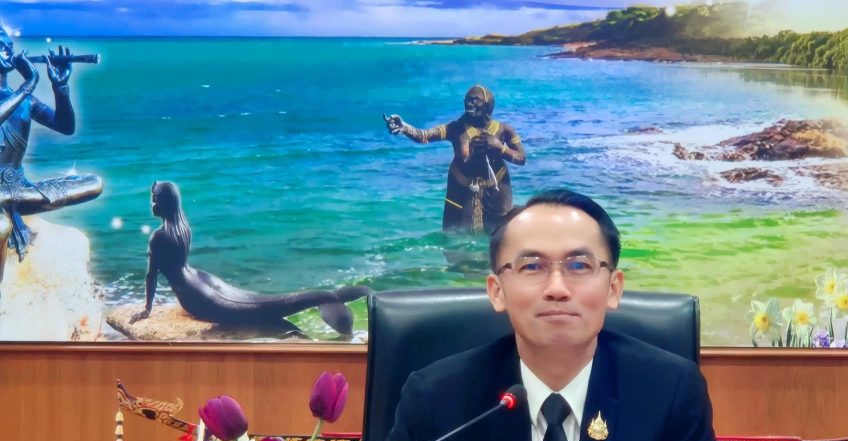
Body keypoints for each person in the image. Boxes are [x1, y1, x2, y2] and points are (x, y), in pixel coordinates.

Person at [377, 188, 725, 441]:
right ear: (496, 290)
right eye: (532, 266)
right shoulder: (437, 396)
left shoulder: (669, 391)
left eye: (579, 265)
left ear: (614, 288)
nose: (557, 288)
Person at [129, 181, 368, 337]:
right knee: (263, 305)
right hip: (201, 279)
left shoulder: (159, 237)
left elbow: (151, 276)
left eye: (155, 199)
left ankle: (328, 300)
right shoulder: (183, 227)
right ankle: (330, 297)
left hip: (195, 296)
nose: (152, 204)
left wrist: (147, 309)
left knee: (259, 308)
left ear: (164, 203)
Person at [0, 33, 102, 285]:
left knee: (93, 183)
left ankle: (12, 200)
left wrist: (60, 89)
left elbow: (65, 126)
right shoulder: (22, 94)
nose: (8, 52)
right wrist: (28, 85)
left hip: (18, 190)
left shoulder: (24, 100)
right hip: (7, 193)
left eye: (9, 47)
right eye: (1, 48)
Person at [384, 84, 526, 234]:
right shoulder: (456, 128)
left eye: (475, 100)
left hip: (497, 190)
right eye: (467, 100)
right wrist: (404, 127)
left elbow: (521, 158)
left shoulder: (504, 130)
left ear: (487, 105)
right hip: (462, 191)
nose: (469, 103)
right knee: (457, 237)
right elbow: (424, 136)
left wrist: (500, 148)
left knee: (501, 234)